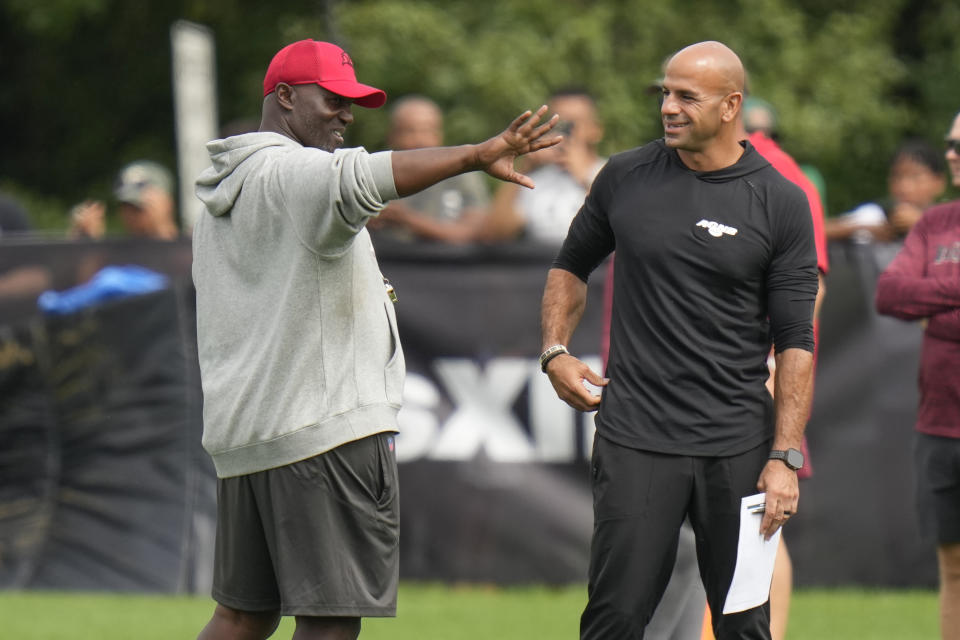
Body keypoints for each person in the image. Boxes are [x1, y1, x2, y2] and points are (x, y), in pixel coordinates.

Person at [191, 39, 559, 640]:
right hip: (322, 429)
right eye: (332, 99)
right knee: (331, 620)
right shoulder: (295, 172)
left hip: (248, 437)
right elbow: (367, 174)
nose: (346, 113)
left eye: (352, 102)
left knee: (241, 616)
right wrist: (475, 155)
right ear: (284, 97)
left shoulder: (228, 187)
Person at [539, 41, 818, 639]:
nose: (668, 106)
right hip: (635, 436)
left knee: (744, 626)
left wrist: (784, 457)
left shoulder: (782, 202)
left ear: (730, 105)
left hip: (739, 446)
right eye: (665, 92)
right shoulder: (625, 176)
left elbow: (797, 338)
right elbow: (570, 265)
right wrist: (554, 350)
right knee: (613, 620)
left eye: (686, 96)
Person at [740, 95, 830, 640]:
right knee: (754, 521)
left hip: (760, 371)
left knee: (762, 520)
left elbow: (809, 286)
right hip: (758, 367)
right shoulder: (787, 169)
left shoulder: (776, 172)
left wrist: (775, 362)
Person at [875, 111, 960, 640]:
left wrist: (935, 301)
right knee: (953, 570)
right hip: (939, 425)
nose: (950, 153)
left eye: (959, 144)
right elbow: (891, 294)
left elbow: (916, 296)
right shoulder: (935, 224)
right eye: (949, 142)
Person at [483, 88, 605, 244]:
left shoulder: (613, 172)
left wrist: (583, 177)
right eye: (557, 124)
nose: (565, 132)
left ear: (596, 130)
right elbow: (494, 234)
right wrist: (521, 168)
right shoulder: (535, 181)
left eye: (573, 123)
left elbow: (624, 227)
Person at [366, 95, 491, 244]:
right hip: (388, 261)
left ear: (439, 135)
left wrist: (406, 219)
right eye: (410, 131)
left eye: (427, 131)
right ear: (392, 136)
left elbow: (476, 233)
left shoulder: (462, 172)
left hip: (448, 263)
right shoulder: (374, 172)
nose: (420, 139)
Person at [825, 138, 947, 243]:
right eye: (897, 176)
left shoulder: (949, 219)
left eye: (915, 177)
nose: (904, 186)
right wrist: (864, 229)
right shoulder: (878, 216)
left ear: (939, 183)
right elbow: (818, 231)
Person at [70, 160, 179, 240]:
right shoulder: (118, 257)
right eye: (126, 206)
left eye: (138, 208)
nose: (131, 215)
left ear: (167, 203)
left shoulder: (189, 250)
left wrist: (161, 230)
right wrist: (88, 243)